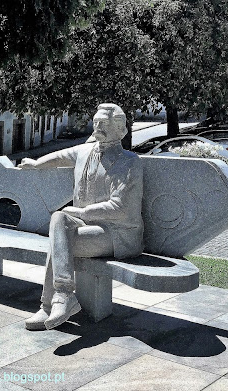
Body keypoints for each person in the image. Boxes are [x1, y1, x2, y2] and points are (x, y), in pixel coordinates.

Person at [19, 103, 144, 330]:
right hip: (88, 225)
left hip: (118, 234)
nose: (97, 128)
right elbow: (60, 156)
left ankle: (51, 304)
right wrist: (37, 164)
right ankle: (62, 297)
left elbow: (121, 208)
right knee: (59, 223)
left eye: (103, 124)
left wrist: (81, 212)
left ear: (120, 128)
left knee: (60, 241)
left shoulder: (130, 162)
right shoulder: (85, 151)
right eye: (95, 123)